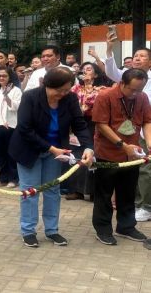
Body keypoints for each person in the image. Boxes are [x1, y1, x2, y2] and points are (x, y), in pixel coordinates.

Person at [9, 67, 94, 248]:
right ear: (47, 85)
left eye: (66, 90)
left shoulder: (70, 98)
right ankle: (29, 231)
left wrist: (88, 147)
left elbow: (79, 124)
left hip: (56, 152)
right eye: (58, 90)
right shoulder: (31, 97)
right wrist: (50, 148)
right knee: (30, 191)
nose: (62, 94)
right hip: (29, 149)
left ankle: (52, 230)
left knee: (52, 191)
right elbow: (25, 128)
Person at [91, 68, 151, 246]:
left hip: (132, 154)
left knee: (127, 192)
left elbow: (147, 120)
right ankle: (103, 229)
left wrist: (149, 141)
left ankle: (126, 226)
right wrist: (122, 145)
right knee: (104, 193)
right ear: (122, 83)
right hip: (107, 153)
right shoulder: (105, 96)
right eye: (132, 89)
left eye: (139, 90)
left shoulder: (142, 98)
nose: (135, 94)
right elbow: (101, 125)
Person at [65, 62, 109, 200]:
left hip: (94, 124)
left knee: (92, 155)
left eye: (89, 69)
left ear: (96, 74)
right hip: (77, 124)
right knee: (77, 154)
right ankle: (76, 189)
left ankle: (93, 191)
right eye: (83, 70)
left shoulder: (102, 89)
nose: (85, 72)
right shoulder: (75, 89)